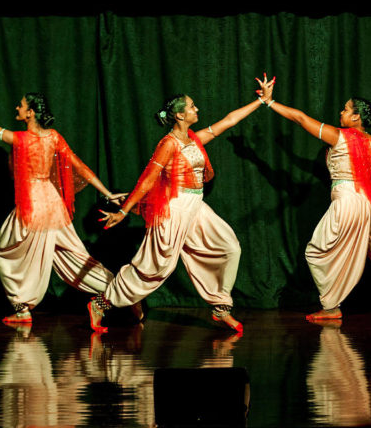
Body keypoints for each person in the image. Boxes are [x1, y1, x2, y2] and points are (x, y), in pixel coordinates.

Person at [92, 77, 275, 333]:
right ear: (179, 115)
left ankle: (220, 308)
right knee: (156, 266)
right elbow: (147, 181)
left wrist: (261, 101)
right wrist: (123, 211)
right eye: (191, 106)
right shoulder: (168, 144)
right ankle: (101, 303)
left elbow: (228, 121)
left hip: (196, 205)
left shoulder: (193, 139)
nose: (196, 109)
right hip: (175, 208)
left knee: (230, 247)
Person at [0, 79, 120, 325]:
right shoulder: (53, 137)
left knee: (3, 252)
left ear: (31, 112)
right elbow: (80, 167)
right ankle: (119, 291)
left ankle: (23, 307)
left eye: (21, 106)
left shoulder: (19, 139)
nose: (17, 109)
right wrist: (106, 192)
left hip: (32, 205)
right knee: (74, 254)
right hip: (52, 204)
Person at [266, 86, 371, 322]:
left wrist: (270, 102)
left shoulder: (338, 135)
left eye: (346, 109)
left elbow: (300, 118)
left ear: (356, 116)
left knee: (316, 251)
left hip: (348, 199)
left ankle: (331, 307)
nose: (341, 112)